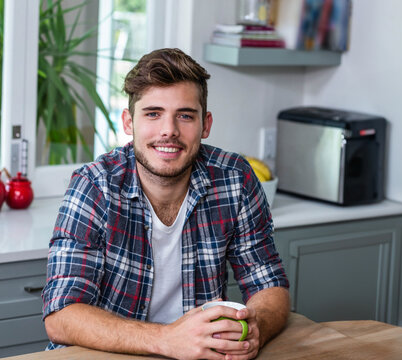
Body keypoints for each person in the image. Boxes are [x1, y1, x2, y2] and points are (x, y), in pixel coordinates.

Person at [42, 48, 290, 360]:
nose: (169, 131)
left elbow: (269, 283)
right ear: (129, 122)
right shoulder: (95, 186)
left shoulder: (235, 180)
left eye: (185, 115)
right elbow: (61, 316)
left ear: (206, 124)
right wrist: (167, 339)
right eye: (153, 113)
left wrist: (257, 330)